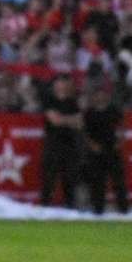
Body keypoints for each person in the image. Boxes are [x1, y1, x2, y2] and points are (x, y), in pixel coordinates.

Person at [82, 84, 128, 214]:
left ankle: (123, 209)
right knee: (97, 181)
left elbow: (122, 126)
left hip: (112, 148)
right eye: (98, 95)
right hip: (96, 151)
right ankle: (98, 210)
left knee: (118, 181)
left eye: (103, 94)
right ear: (94, 97)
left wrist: (120, 141)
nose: (101, 97)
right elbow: (84, 132)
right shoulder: (89, 113)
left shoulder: (114, 110)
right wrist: (92, 145)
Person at [39, 74, 83, 208]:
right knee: (49, 180)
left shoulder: (73, 102)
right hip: (53, 145)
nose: (62, 86)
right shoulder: (49, 100)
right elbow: (55, 121)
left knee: (69, 180)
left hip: (70, 146)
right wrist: (70, 120)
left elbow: (80, 123)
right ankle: (44, 208)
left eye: (65, 83)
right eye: (60, 83)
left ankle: (70, 209)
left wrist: (63, 119)